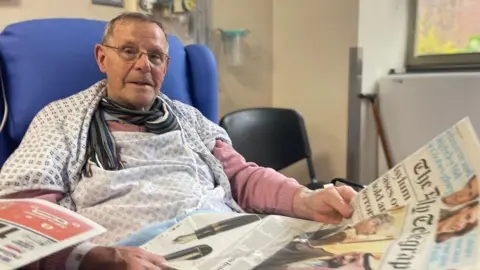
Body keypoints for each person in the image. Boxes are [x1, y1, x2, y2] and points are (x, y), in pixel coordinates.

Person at [0, 12, 357, 270]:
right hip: (131, 254)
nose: (144, 64)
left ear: (165, 67)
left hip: (225, 238)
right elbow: (24, 215)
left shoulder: (189, 118)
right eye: (128, 51)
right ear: (101, 57)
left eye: (155, 56)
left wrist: (305, 199)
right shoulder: (60, 119)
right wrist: (90, 257)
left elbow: (241, 177)